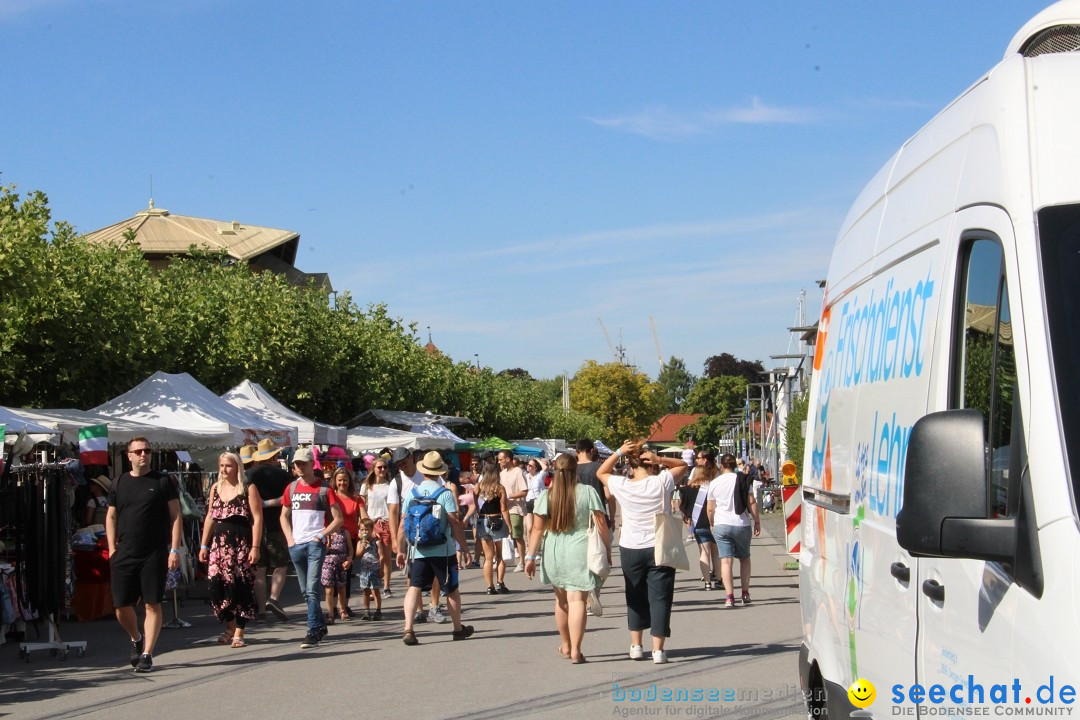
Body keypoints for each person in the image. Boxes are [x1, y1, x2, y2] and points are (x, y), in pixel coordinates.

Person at [596, 440, 687, 665]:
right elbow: (683, 465)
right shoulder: (661, 482)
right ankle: (658, 650)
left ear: (630, 464)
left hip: (631, 546)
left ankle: (636, 646)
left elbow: (601, 471)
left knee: (634, 595)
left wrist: (618, 452)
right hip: (659, 544)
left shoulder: (622, 485)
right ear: (649, 464)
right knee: (661, 597)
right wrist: (660, 460)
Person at [106, 437, 182, 673]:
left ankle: (147, 653)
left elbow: (176, 516)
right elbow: (111, 516)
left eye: (147, 451)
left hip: (154, 552)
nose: (143, 455)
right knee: (121, 606)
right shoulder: (118, 482)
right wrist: (111, 549)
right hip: (125, 551)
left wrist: (174, 549)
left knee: (152, 603)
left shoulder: (163, 481)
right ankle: (136, 637)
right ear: (128, 455)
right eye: (138, 451)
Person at [523, 453, 608, 664]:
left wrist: (530, 556)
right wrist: (606, 549)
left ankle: (566, 644)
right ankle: (576, 650)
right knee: (577, 599)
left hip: (554, 550)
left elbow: (536, 529)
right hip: (580, 549)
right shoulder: (587, 492)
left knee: (561, 601)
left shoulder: (546, 496)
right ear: (575, 470)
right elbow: (601, 524)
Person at [396, 451, 474, 646]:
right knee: (452, 590)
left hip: (418, 550)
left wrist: (400, 550)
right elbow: (455, 523)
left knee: (414, 587)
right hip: (443, 551)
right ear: (440, 472)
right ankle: (457, 629)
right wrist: (464, 548)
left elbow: (402, 524)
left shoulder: (411, 494)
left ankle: (408, 628)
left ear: (423, 471)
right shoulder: (445, 494)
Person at [280, 446, 345, 649]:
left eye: (303, 463)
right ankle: (319, 626)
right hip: (296, 545)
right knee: (305, 591)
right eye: (296, 464)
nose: (299, 467)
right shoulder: (291, 488)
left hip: (315, 544)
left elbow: (338, 519)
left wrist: (321, 535)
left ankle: (311, 631)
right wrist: (290, 539)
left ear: (311, 464)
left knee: (312, 589)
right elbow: (283, 515)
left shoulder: (324, 489)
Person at [197, 452, 263, 648]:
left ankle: (239, 631)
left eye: (229, 466)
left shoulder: (247, 488)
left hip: (241, 543)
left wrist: (255, 547)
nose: (224, 470)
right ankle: (230, 624)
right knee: (216, 585)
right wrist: (203, 544)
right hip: (219, 545)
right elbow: (210, 516)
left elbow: (257, 518)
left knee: (241, 585)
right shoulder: (216, 488)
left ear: (237, 467)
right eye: (222, 466)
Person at [707, 453, 761, 608]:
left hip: (721, 524)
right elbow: (751, 502)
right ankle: (745, 593)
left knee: (726, 561)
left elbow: (710, 508)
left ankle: (729, 597)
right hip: (741, 523)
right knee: (744, 558)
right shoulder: (742, 480)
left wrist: (712, 524)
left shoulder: (715, 483)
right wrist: (756, 522)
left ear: (721, 466)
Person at [246, 438, 292, 622]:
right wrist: (267, 504)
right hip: (276, 524)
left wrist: (258, 505)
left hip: (254, 527)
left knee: (259, 568)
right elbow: (289, 497)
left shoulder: (248, 474)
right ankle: (273, 598)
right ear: (274, 456)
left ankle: (260, 610)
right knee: (280, 565)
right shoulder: (282, 475)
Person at [327, 467, 366, 620]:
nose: (342, 482)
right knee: (332, 574)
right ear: (335, 482)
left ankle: (344, 606)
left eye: (345, 480)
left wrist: (368, 531)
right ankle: (335, 606)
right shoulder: (331, 497)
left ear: (349, 481)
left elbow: (363, 517)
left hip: (351, 539)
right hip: (333, 539)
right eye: (340, 480)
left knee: (346, 573)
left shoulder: (356, 499)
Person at [472, 457, 513, 595]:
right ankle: (500, 582)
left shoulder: (478, 487)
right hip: (497, 521)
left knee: (488, 557)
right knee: (500, 555)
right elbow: (504, 509)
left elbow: (476, 505)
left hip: (483, 521)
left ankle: (490, 587)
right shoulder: (500, 488)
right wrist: (509, 525)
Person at [681, 449, 721, 590]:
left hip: (699, 523)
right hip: (714, 522)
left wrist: (688, 517)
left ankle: (707, 583)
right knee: (716, 552)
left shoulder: (689, 488)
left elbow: (684, 506)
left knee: (704, 552)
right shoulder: (714, 484)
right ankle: (719, 579)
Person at [360, 457, 394, 596]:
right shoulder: (367, 486)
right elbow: (362, 507)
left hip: (386, 523)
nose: (382, 470)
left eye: (385, 467)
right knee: (371, 557)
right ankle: (374, 587)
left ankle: (386, 586)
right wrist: (368, 526)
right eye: (379, 467)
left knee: (385, 557)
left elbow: (393, 508)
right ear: (373, 469)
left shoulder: (390, 485)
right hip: (370, 523)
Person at [497, 450, 528, 571]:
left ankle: (521, 561)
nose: (499, 462)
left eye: (501, 459)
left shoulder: (518, 472)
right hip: (503, 508)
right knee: (500, 534)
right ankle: (501, 558)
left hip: (515, 508)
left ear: (508, 459)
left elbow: (524, 491)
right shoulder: (502, 473)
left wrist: (509, 496)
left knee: (516, 535)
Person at [354, 517, 384, 620]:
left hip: (375, 569)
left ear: (372, 530)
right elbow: (358, 555)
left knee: (375, 591)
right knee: (366, 591)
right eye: (362, 530)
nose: (364, 532)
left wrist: (381, 569)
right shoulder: (360, 543)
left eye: (367, 529)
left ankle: (378, 610)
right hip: (364, 570)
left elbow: (381, 556)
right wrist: (362, 545)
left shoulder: (376, 542)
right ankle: (366, 611)